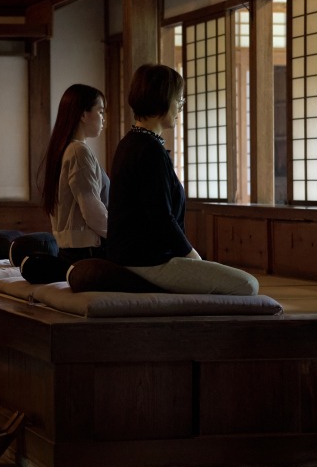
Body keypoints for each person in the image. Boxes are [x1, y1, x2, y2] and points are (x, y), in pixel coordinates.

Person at [106, 63, 259, 295]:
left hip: (133, 255)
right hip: (147, 261)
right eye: (178, 100)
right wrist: (191, 255)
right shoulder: (149, 150)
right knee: (247, 284)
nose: (180, 108)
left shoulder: (131, 142)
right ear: (162, 100)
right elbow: (161, 216)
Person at [39, 83, 109, 264]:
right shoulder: (79, 151)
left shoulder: (65, 149)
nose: (103, 119)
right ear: (84, 115)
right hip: (87, 252)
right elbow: (93, 212)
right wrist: (123, 235)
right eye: (100, 112)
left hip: (73, 251)